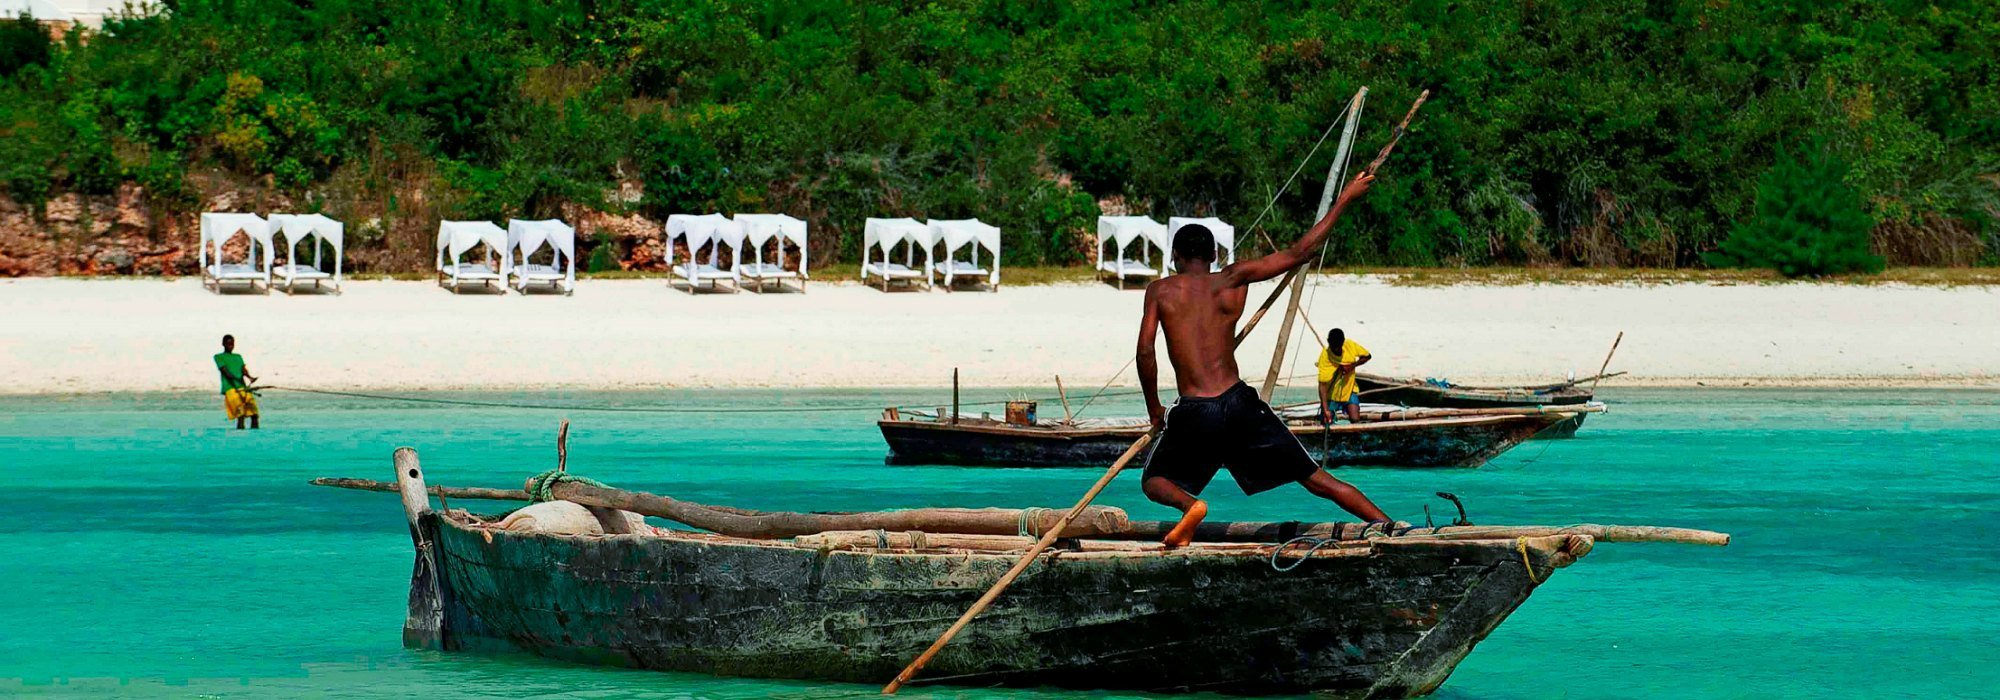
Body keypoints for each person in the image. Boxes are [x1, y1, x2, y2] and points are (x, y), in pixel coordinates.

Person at [1136, 174, 1391, 547]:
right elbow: (1299, 252)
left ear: (1175, 257)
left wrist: (1155, 408)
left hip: (1194, 410)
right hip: (1238, 404)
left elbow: (1145, 351)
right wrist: (1346, 199)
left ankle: (1191, 507)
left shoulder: (1161, 291)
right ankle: (1391, 528)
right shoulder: (1233, 279)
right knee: (1316, 479)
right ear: (1214, 256)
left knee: (1153, 481)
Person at [1316, 328, 1371, 424]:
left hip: (1349, 390)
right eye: (1334, 347)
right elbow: (1322, 385)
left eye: (1339, 346)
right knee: (1326, 421)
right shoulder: (1325, 357)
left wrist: (1352, 366)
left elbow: (1367, 356)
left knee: (1355, 419)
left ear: (1343, 341)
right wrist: (1325, 409)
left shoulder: (1349, 345)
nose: (1337, 349)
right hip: (1332, 395)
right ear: (1328, 342)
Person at [215, 334, 260, 430]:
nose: (230, 346)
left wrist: (250, 378)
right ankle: (240, 438)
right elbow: (225, 372)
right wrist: (237, 378)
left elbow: (243, 370)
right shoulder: (218, 357)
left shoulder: (238, 356)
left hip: (243, 388)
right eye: (228, 344)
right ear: (223, 344)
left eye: (232, 344)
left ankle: (255, 438)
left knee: (254, 414)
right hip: (230, 388)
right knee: (241, 415)